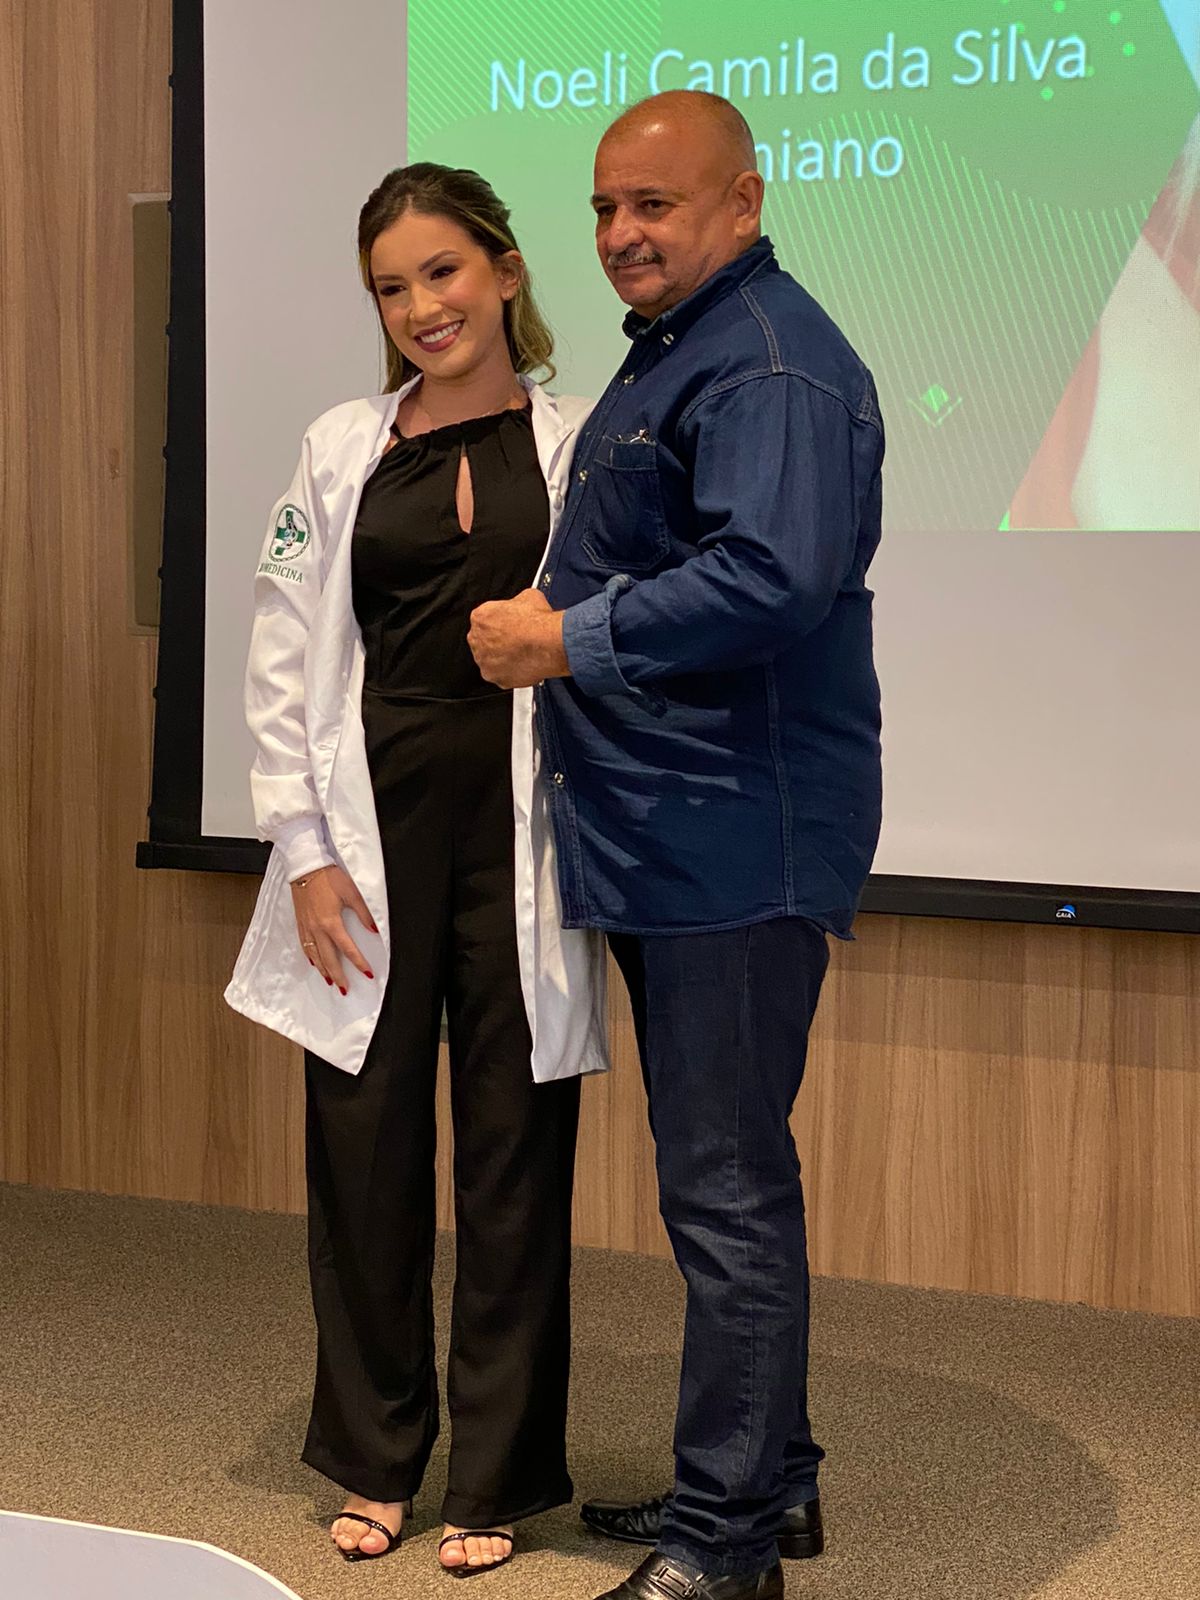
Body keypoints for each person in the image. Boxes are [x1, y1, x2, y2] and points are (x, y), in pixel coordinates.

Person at [468, 92, 884, 1600]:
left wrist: (563, 639)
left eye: (655, 203)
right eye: (603, 207)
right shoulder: (684, 348)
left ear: (744, 203)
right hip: (669, 828)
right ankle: (771, 1488)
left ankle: (724, 1550)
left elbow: (771, 578)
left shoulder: (765, 361)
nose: (621, 234)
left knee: (725, 1192)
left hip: (732, 835)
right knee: (725, 1178)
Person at [225, 162, 609, 1577]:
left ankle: (494, 1474)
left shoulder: (583, 441)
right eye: (391, 287)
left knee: (516, 1160)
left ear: (505, 272)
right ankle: (376, 1456)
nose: (421, 306)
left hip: (523, 847)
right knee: (365, 1157)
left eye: (443, 271)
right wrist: (304, 853)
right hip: (367, 845)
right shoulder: (341, 445)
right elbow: (283, 654)